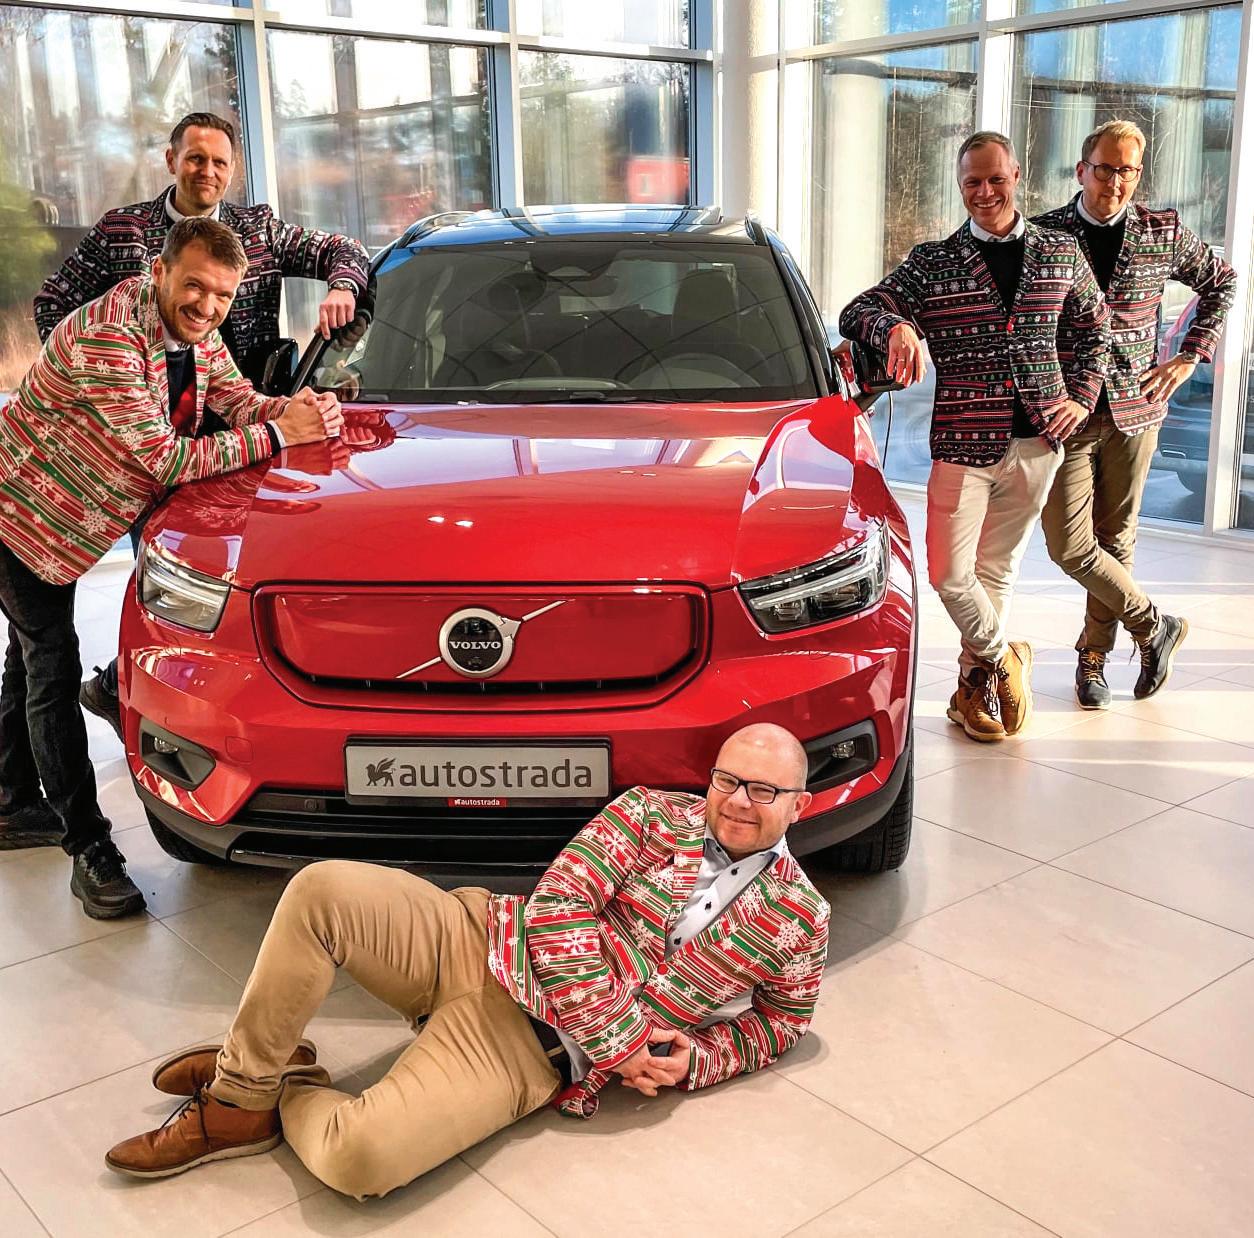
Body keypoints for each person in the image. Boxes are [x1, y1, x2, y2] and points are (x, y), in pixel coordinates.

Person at [105, 723, 831, 1199]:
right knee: (320, 890)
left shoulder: (802, 917)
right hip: (477, 935)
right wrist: (624, 1041)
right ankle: (239, 1097)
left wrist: (696, 1061)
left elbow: (780, 1025)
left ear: (799, 805)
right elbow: (558, 905)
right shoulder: (651, 812)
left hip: (528, 1046)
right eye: (727, 780)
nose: (738, 802)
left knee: (360, 1160)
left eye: (764, 791)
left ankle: (281, 1083)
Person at [0, 217, 340, 917]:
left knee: (25, 661)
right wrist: (280, 434)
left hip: (70, 516)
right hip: (21, 516)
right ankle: (89, 846)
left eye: (222, 295)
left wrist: (297, 410)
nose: (207, 306)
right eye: (194, 287)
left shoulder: (193, 329)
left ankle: (9, 801)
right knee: (50, 669)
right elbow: (164, 459)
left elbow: (236, 400)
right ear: (159, 272)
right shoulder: (108, 336)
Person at [31, 111, 369, 739]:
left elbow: (341, 251)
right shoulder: (124, 232)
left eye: (218, 161)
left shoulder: (255, 232)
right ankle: (131, 716)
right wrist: (92, 378)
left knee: (224, 586)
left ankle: (163, 704)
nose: (206, 170)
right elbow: (53, 302)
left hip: (236, 436)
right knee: (157, 590)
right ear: (172, 161)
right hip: (143, 447)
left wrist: (342, 287)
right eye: (194, 157)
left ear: (232, 170)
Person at [840, 131, 1110, 743]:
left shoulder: (1061, 250)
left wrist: (1079, 397)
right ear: (960, 185)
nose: (985, 192)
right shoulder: (934, 261)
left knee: (997, 571)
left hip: (1040, 439)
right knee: (947, 573)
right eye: (972, 182)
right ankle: (1003, 656)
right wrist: (897, 326)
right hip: (963, 441)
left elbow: (1096, 332)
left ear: (1017, 176)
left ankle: (972, 691)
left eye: (996, 179)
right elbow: (857, 310)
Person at [1032, 119, 1237, 708]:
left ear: (1138, 174)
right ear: (1081, 170)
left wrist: (1190, 356)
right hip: (1068, 413)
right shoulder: (1045, 235)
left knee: (1115, 538)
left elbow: (1221, 282)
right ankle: (1153, 625)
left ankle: (1093, 659)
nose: (1115, 182)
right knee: (1068, 545)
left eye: (1127, 171)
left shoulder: (1161, 231)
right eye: (1105, 169)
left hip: (1136, 410)